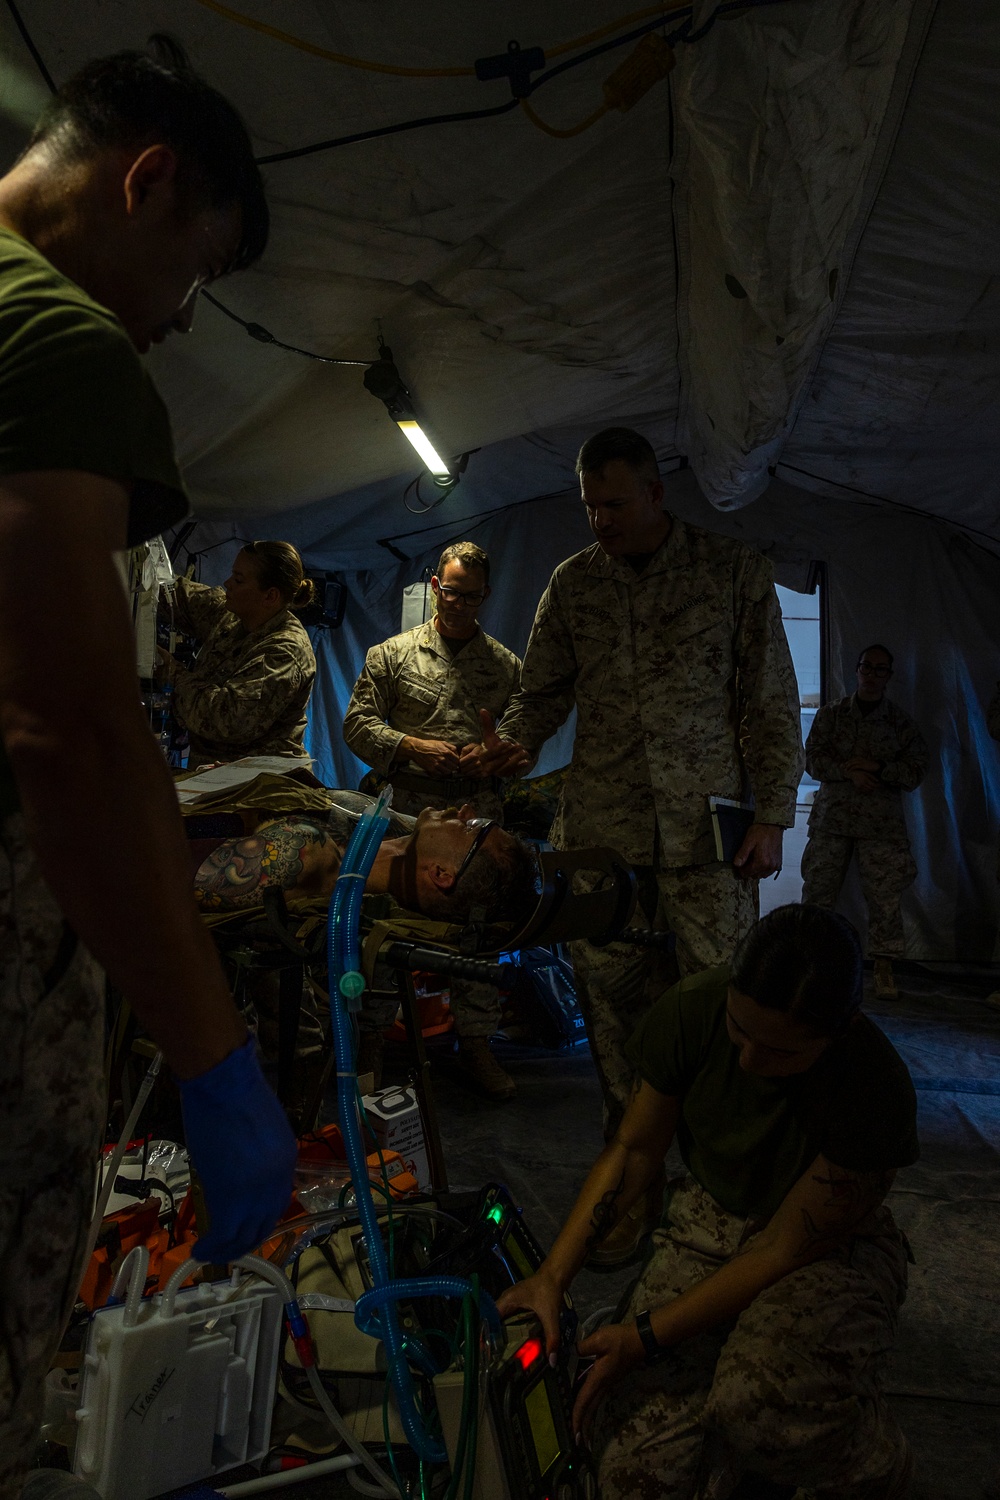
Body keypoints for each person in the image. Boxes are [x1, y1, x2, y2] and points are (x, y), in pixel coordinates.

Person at [0, 44, 297, 1496]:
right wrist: (209, 1053)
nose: (184, 321)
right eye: (203, 269)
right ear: (151, 182)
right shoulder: (58, 342)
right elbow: (67, 729)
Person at [469, 427, 803, 1256]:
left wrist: (773, 816)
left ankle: (729, 1195)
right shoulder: (574, 585)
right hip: (607, 845)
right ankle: (631, 1190)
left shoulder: (731, 572)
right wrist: (512, 740)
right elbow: (541, 694)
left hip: (706, 843)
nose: (600, 522)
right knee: (617, 1023)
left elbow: (769, 700)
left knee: (730, 1016)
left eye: (614, 504)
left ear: (656, 492)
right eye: (589, 506)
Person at [498, 905, 918, 1500]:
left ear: (839, 1030)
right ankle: (729, 1452)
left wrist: (642, 1336)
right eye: (739, 1030)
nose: (749, 1060)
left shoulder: (874, 1087)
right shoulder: (695, 1005)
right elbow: (635, 1152)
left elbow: (780, 1248)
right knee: (628, 1479)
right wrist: (552, 1277)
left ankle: (870, 1459)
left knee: (761, 1412)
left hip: (824, 1244)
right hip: (712, 1215)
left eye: (779, 1051)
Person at [343, 541, 522, 1099]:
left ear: (486, 595)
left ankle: (475, 1043)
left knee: (478, 930)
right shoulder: (391, 656)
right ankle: (369, 1042)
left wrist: (497, 756)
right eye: (449, 592)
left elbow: (519, 752)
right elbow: (356, 725)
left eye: (471, 596)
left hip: (473, 815)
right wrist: (410, 745)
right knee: (386, 930)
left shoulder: (506, 668)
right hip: (403, 817)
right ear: (434, 585)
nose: (458, 605)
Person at [801, 645, 928, 1001]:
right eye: (866, 668)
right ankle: (810, 965)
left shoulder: (900, 723)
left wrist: (878, 769)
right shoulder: (832, 716)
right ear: (856, 671)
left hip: (880, 825)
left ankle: (884, 968)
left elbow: (916, 769)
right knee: (817, 895)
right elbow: (811, 760)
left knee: (885, 899)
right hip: (833, 819)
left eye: (879, 669)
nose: (871, 675)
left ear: (889, 676)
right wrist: (848, 772)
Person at [158, 539, 317, 769]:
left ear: (270, 596)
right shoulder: (233, 617)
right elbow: (177, 596)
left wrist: (173, 675)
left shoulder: (284, 652)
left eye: (239, 580)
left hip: (259, 787)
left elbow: (225, 720)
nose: (227, 583)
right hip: (216, 779)